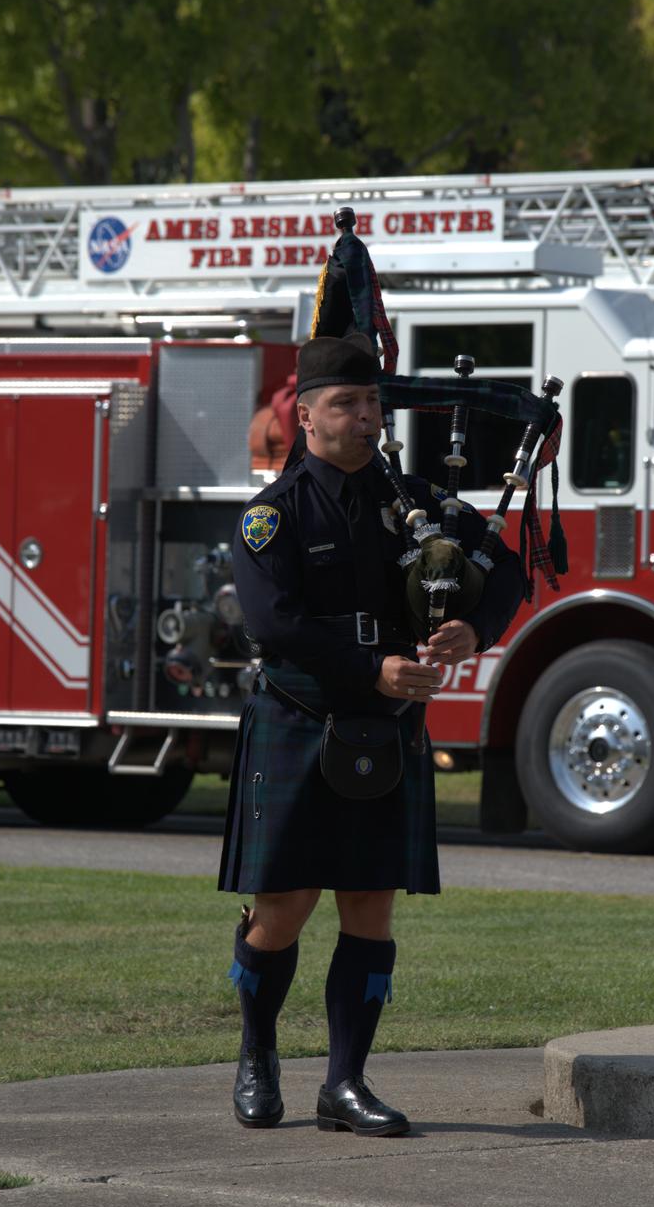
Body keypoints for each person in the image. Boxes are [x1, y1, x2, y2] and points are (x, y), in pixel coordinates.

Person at [218, 332, 523, 1137]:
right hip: (297, 721)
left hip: (383, 734)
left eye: (372, 404)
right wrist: (373, 668)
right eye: (347, 405)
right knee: (281, 909)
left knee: (369, 904)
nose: (365, 419)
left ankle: (344, 1085)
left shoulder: (415, 504)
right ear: (307, 417)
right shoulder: (270, 515)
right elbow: (271, 623)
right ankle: (257, 1056)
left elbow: (508, 569)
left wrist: (471, 629)